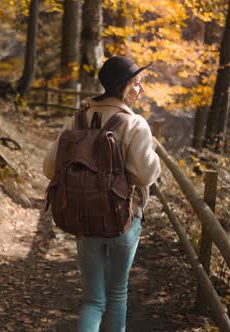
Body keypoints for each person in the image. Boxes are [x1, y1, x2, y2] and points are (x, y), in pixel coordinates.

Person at [42, 56, 161, 332]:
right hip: (124, 219)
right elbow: (145, 175)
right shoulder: (135, 125)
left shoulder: (78, 119)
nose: (140, 90)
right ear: (122, 87)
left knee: (93, 300)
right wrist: (152, 151)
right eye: (137, 84)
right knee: (117, 294)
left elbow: (49, 168)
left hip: (82, 217)